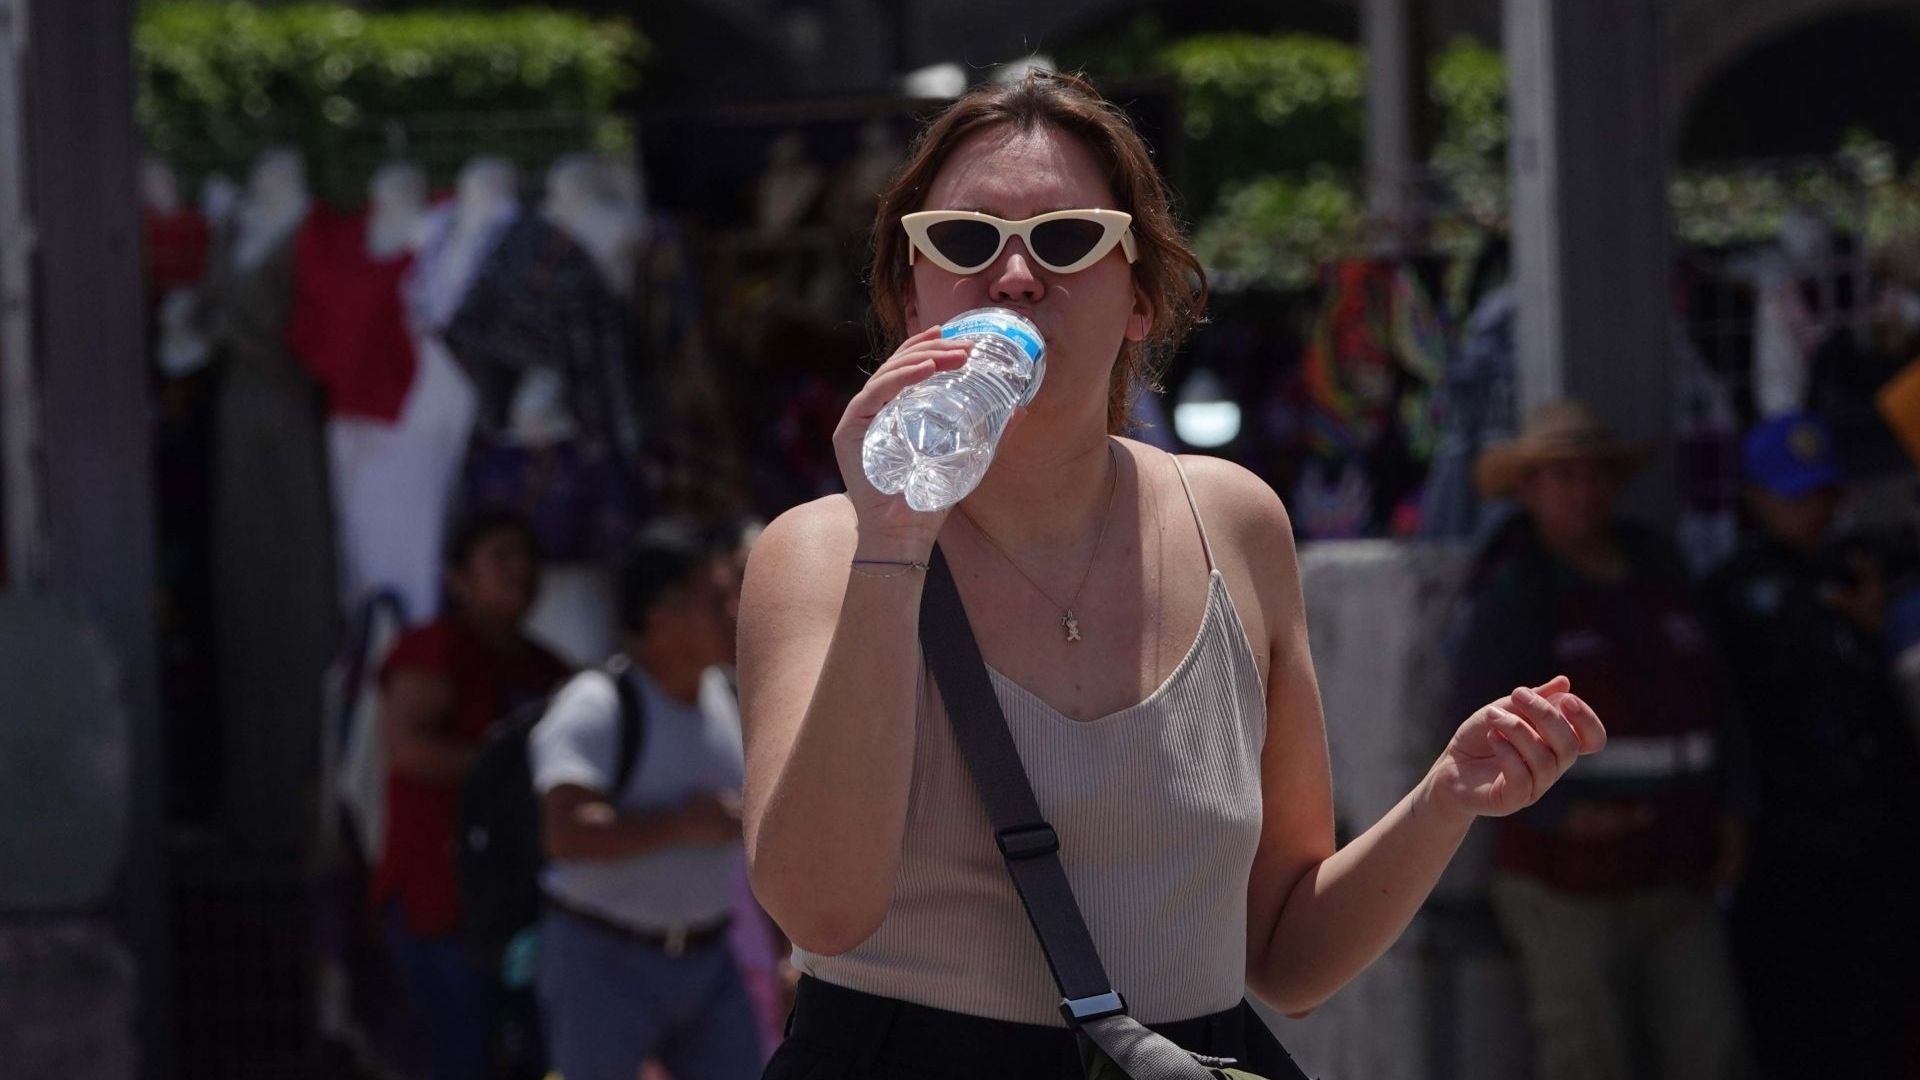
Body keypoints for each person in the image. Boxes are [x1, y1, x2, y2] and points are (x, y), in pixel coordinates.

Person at [737, 69, 1607, 1080]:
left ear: (1141, 296)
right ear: (909, 291)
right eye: (964, 243)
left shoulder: (1234, 521)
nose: (1015, 277)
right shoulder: (821, 549)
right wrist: (892, 548)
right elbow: (820, 909)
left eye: (1068, 241)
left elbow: (1289, 958)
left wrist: (1448, 797)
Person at [1448, 399, 1749, 1080]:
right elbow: (1476, 723)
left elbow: (1720, 696)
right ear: (1529, 488)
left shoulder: (1659, 569)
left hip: (1676, 866)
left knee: (1713, 1046)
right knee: (1588, 1055)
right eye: (1564, 476)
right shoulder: (1511, 589)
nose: (1584, 492)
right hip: (1563, 881)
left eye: (1596, 475)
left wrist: (1735, 812)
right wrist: (1559, 813)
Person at [1703, 413, 1920, 1080]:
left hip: (1876, 842)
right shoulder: (1733, 592)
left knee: (1875, 1026)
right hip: (1784, 848)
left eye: (1823, 493)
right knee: (1792, 1028)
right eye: (1795, 496)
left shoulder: (1867, 574)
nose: (1814, 511)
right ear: (1756, 498)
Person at [528, 517, 760, 1080]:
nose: (735, 611)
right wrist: (684, 823)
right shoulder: (595, 704)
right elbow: (564, 834)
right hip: (601, 960)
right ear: (662, 616)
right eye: (716, 598)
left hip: (708, 962)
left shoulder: (729, 698)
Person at [374, 510, 571, 1080]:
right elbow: (408, 750)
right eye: (501, 557)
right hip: (438, 903)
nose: (521, 571)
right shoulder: (432, 651)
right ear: (458, 577)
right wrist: (513, 771)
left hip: (518, 909)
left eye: (528, 558)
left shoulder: (545, 668)